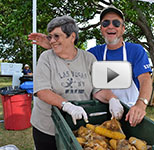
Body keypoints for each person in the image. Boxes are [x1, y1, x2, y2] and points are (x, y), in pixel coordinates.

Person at [28, 6, 153, 127]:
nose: (110, 26)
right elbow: (72, 54)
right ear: (101, 29)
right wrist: (53, 42)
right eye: (105, 23)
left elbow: (145, 80)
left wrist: (141, 104)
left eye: (116, 23)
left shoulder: (136, 51)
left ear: (123, 28)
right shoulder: (93, 54)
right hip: (103, 113)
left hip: (130, 113)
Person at [30, 15, 124, 150]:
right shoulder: (46, 58)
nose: (52, 41)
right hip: (48, 128)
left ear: (72, 36)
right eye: (50, 37)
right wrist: (67, 105)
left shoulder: (89, 59)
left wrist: (112, 99)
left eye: (57, 36)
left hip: (76, 127)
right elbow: (42, 91)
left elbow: (99, 90)